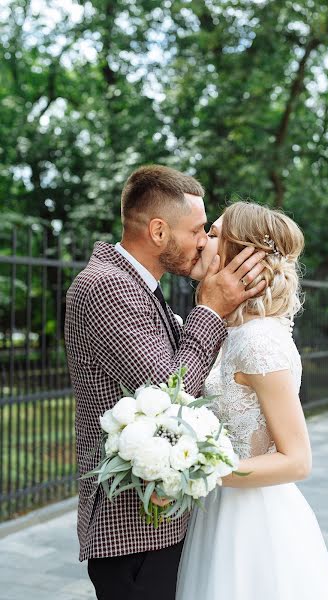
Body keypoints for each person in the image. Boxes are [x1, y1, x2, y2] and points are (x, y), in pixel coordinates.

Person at [64, 165, 266, 600]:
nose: (203, 241)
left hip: (158, 529)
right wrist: (210, 310)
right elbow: (170, 394)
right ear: (158, 231)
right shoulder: (106, 287)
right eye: (197, 230)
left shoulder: (140, 286)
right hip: (133, 534)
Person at [177, 201, 328, 599]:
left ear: (243, 255)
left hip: (254, 523)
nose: (202, 241)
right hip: (216, 513)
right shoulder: (228, 331)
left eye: (214, 234)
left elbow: (297, 459)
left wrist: (200, 473)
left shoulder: (258, 342)